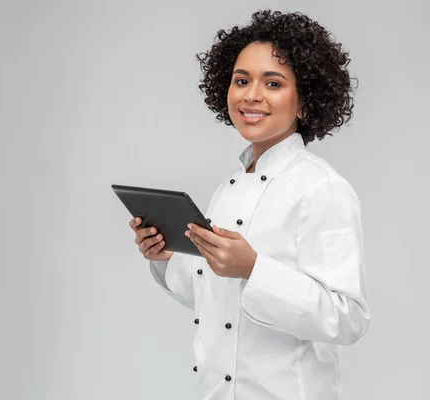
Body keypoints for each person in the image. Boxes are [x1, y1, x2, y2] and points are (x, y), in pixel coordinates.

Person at [129, 9, 371, 400]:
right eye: (241, 80)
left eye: (273, 83)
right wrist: (163, 254)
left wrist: (254, 269)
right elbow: (211, 293)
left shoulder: (321, 187)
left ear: (305, 101)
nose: (251, 95)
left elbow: (348, 317)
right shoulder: (227, 189)